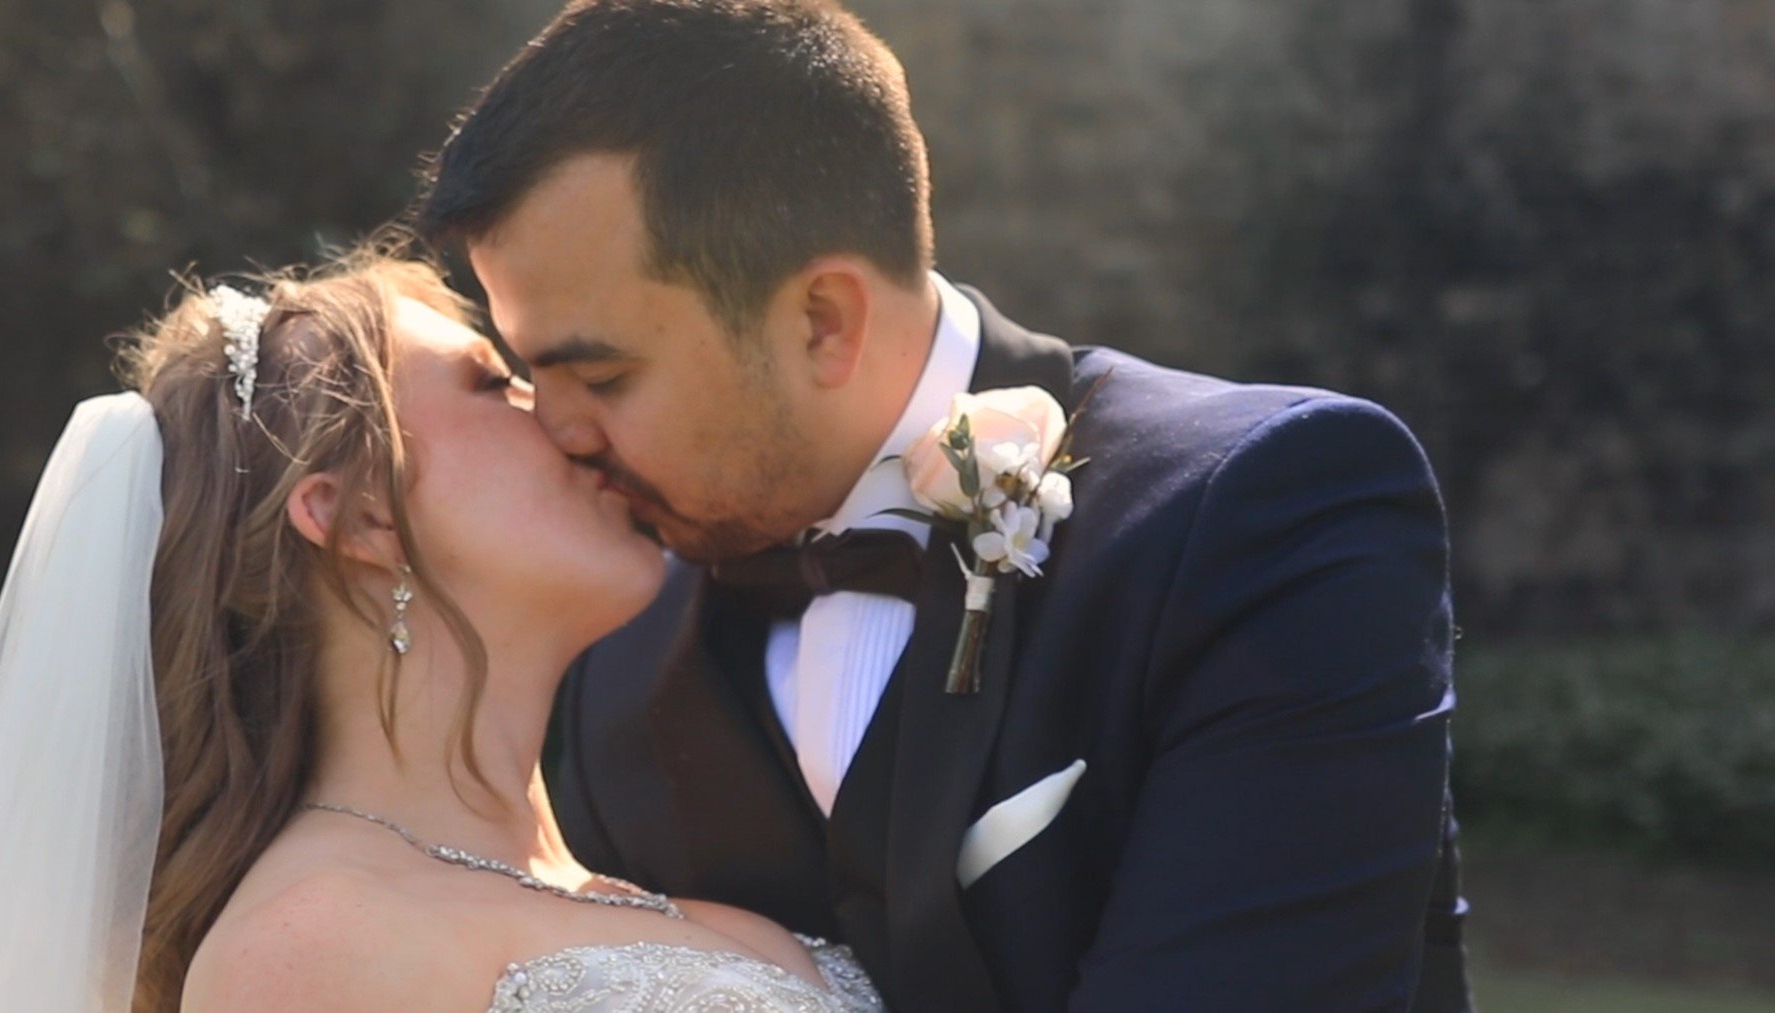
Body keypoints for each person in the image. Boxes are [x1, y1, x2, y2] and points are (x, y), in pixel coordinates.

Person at [412, 1, 1471, 1010]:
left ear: (824, 319)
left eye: (600, 378)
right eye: (525, 373)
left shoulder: (1262, 514)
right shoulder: (612, 644)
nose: (554, 431)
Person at [0, 250, 885, 1011]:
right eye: (496, 383)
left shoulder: (676, 844)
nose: (571, 418)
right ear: (360, 516)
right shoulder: (310, 951)